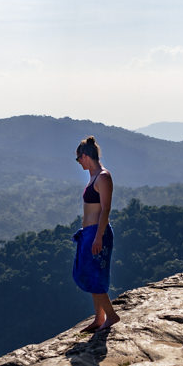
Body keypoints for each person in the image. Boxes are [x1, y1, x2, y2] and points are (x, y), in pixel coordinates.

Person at [73, 135, 117, 331]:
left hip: (98, 232)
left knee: (94, 275)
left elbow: (106, 209)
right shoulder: (93, 177)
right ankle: (99, 318)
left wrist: (98, 236)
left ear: (85, 156)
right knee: (90, 274)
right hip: (89, 232)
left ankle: (112, 316)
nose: (78, 162)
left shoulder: (103, 177)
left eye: (78, 158)